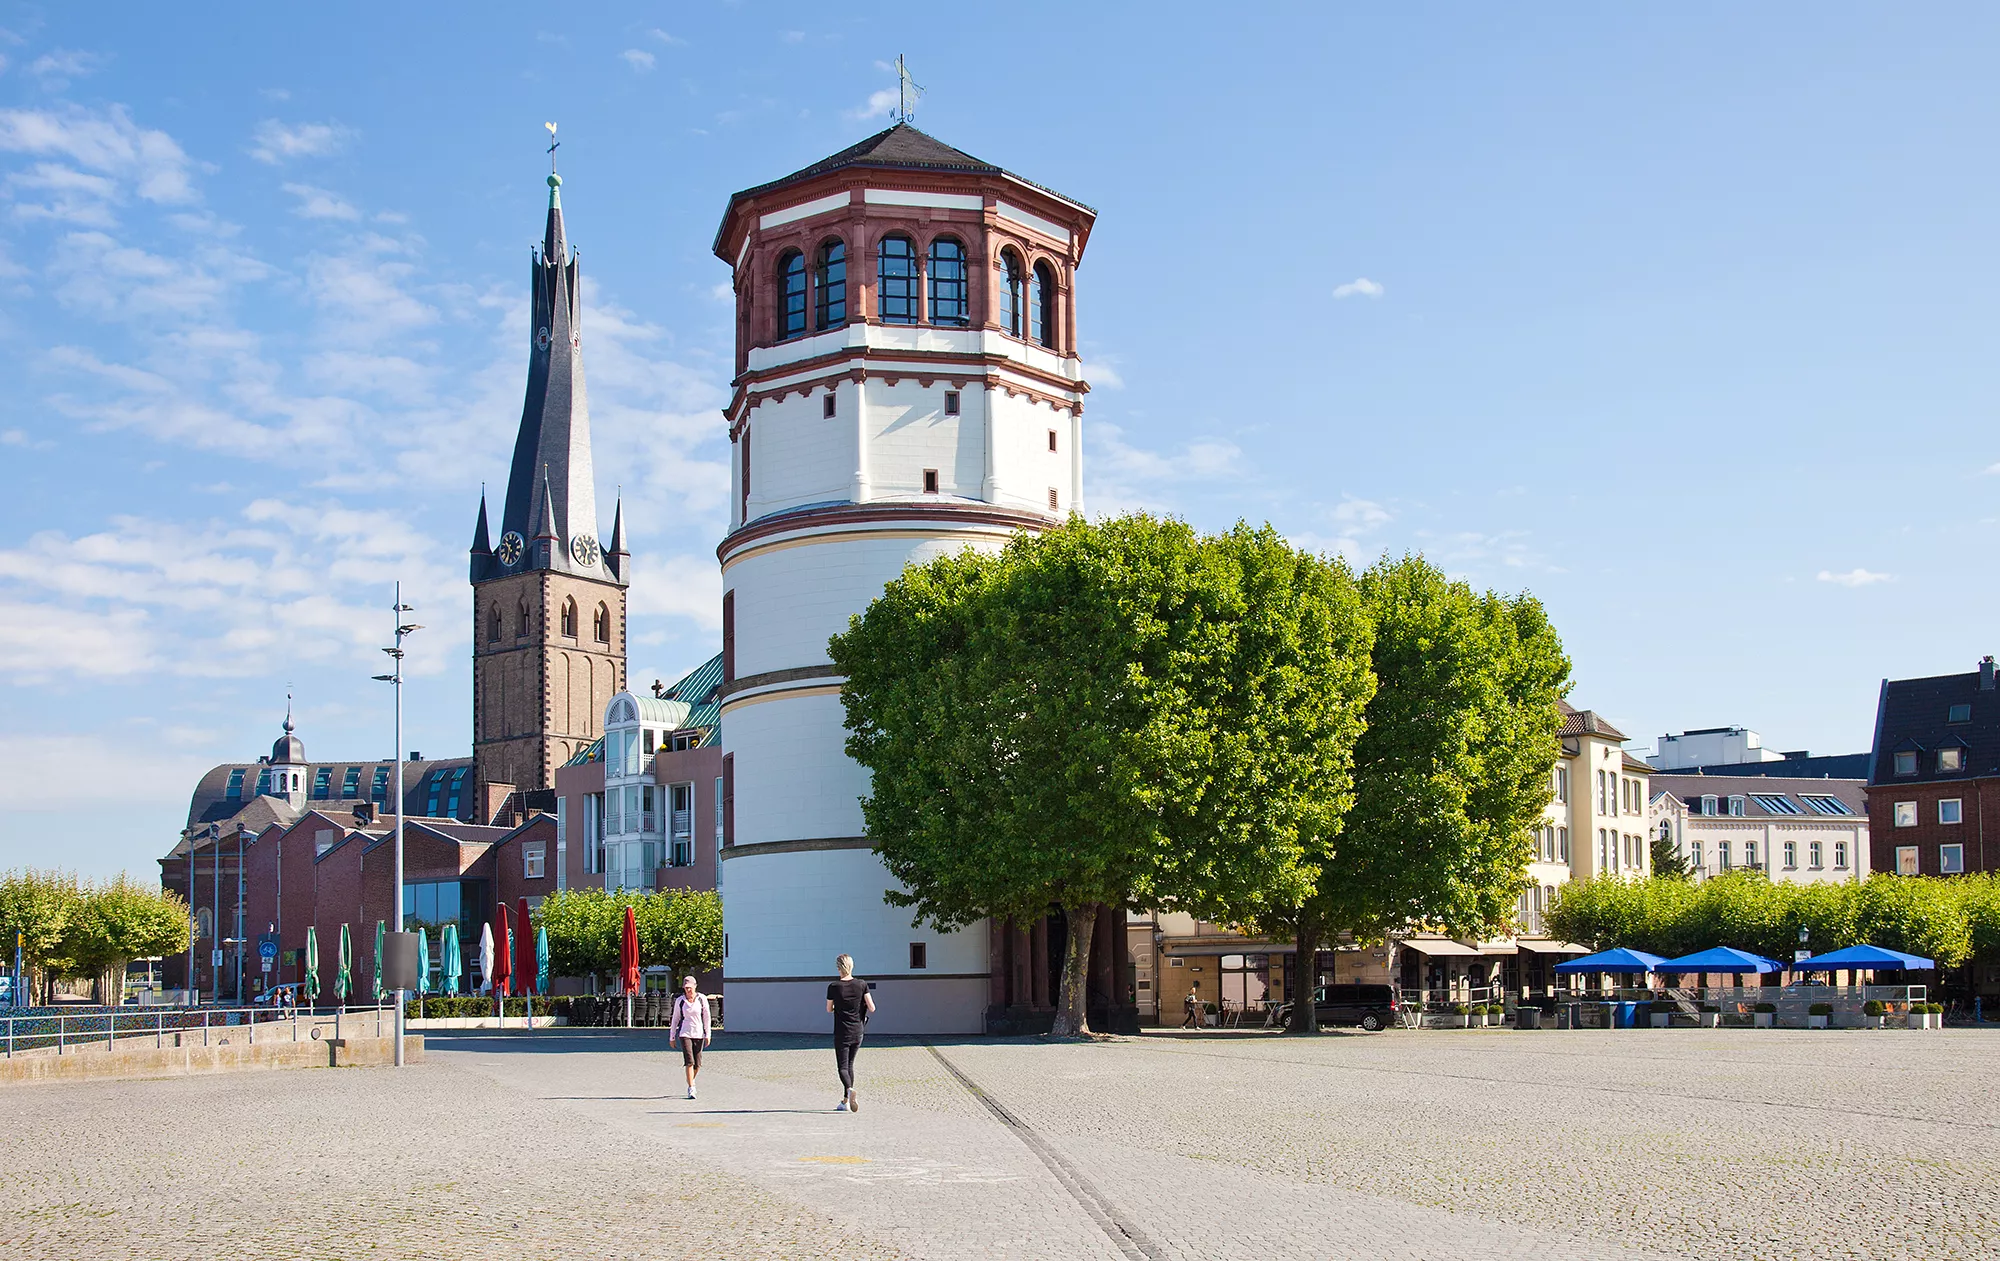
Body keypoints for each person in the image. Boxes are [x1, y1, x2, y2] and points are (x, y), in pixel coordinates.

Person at [825, 954, 874, 1113]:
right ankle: (845, 1101)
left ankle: (850, 1089)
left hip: (841, 1031)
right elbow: (872, 1008)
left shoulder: (833, 987)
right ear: (852, 966)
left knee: (842, 1067)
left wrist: (837, 1007)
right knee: (850, 1064)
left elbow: (828, 1009)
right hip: (858, 1031)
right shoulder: (862, 984)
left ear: (838, 968)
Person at [669, 975, 713, 1099]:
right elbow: (675, 1019)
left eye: (690, 988)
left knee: (697, 1064)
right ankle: (691, 1088)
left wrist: (707, 1034)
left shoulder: (701, 999)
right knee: (689, 1062)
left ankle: (691, 1080)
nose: (688, 990)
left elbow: (706, 1017)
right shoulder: (680, 1001)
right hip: (685, 1033)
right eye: (686, 988)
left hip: (698, 1033)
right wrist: (672, 1036)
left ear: (695, 986)